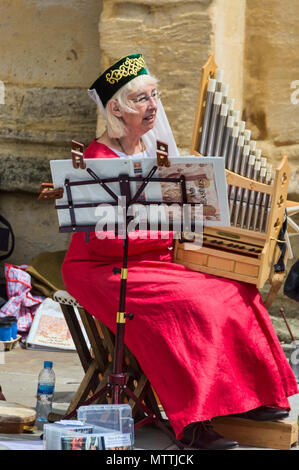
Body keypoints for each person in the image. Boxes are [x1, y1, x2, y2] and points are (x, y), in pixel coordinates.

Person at [61, 54, 298, 450]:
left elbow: (181, 212)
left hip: (154, 257)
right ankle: (193, 421)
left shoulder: (157, 149)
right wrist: (172, 226)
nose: (154, 105)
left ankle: (247, 398)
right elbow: (102, 239)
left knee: (235, 290)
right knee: (189, 305)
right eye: (141, 99)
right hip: (101, 266)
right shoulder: (97, 161)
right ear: (115, 108)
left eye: (155, 95)